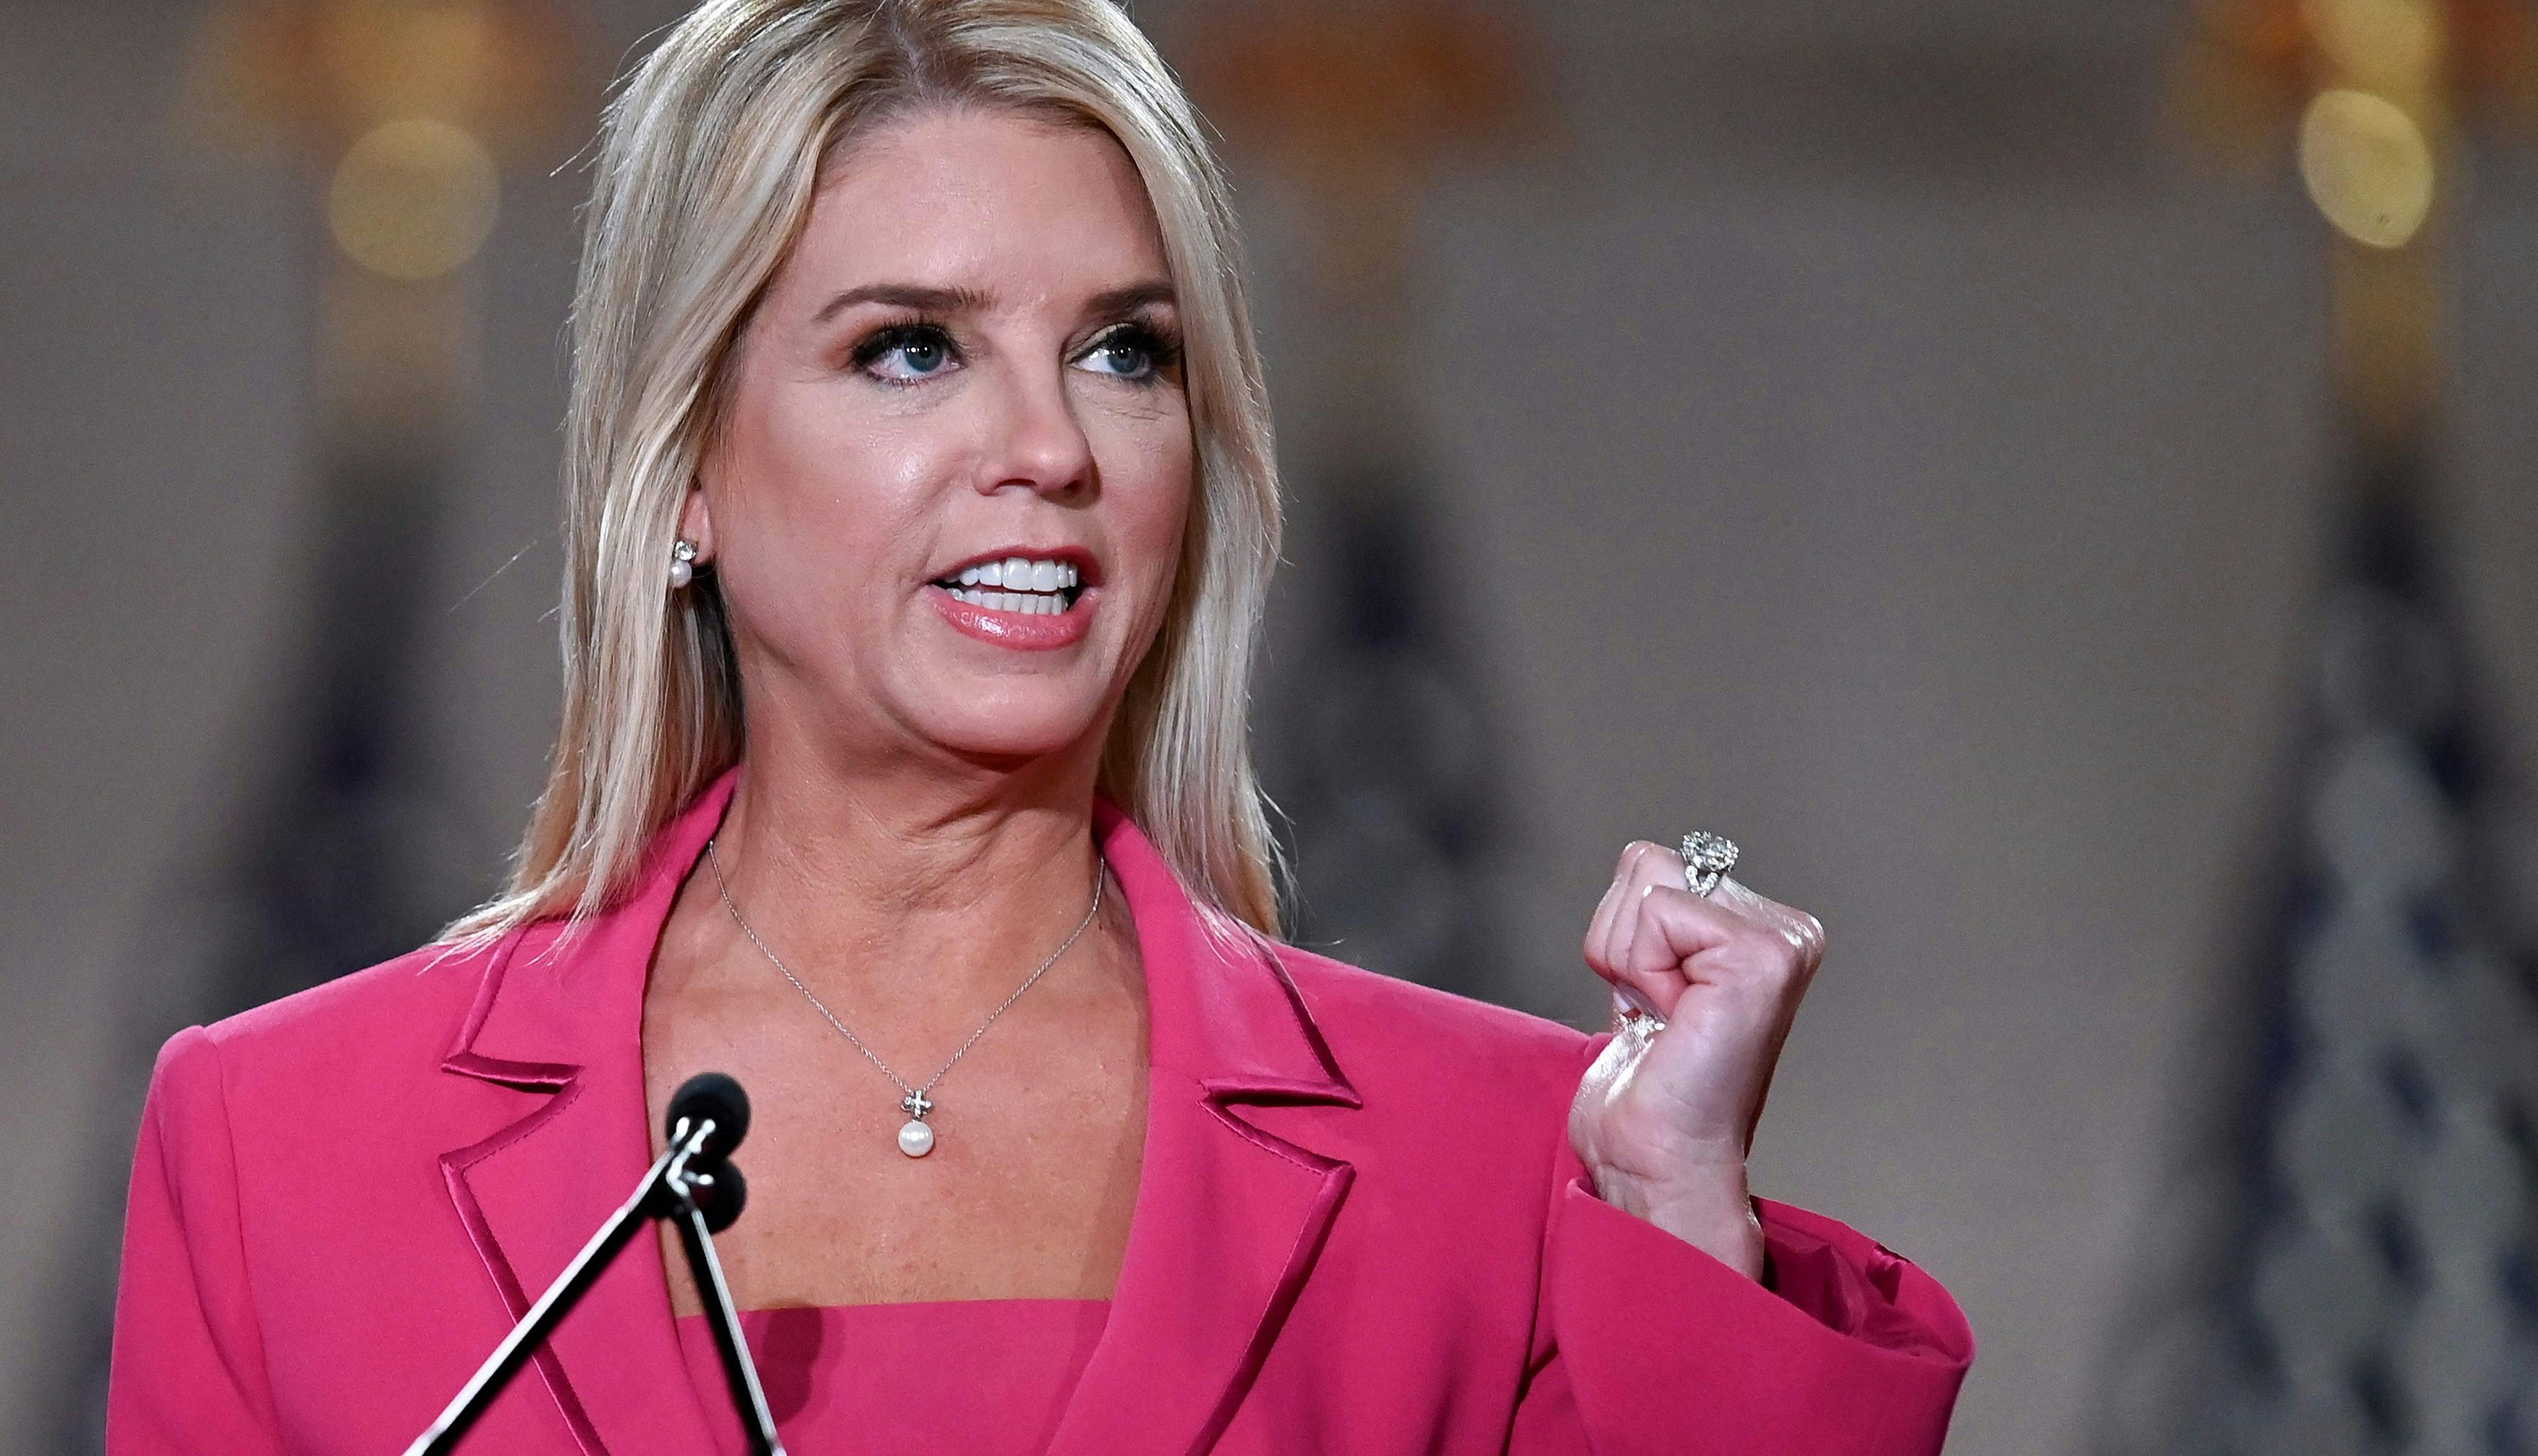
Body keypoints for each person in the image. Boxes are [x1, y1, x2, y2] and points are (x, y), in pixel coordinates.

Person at [107, 1, 1972, 1451]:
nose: (1052, 449)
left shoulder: (1494, 1167)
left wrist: (1678, 1245)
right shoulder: (282, 1151)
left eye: (1122, 349)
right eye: (911, 347)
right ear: (683, 469)